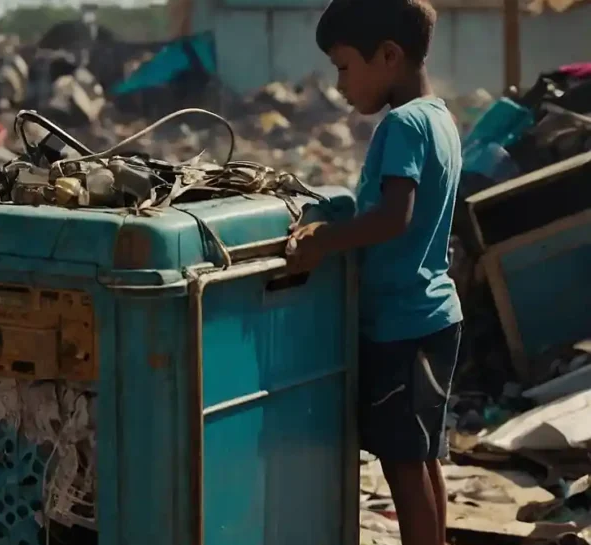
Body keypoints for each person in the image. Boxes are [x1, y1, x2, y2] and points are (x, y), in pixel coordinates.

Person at [285, 2, 462, 545]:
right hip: (433, 315)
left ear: (388, 55)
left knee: (402, 466)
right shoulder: (438, 115)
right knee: (421, 457)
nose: (338, 85)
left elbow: (393, 216)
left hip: (400, 324)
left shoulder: (403, 124)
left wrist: (323, 240)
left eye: (343, 67)